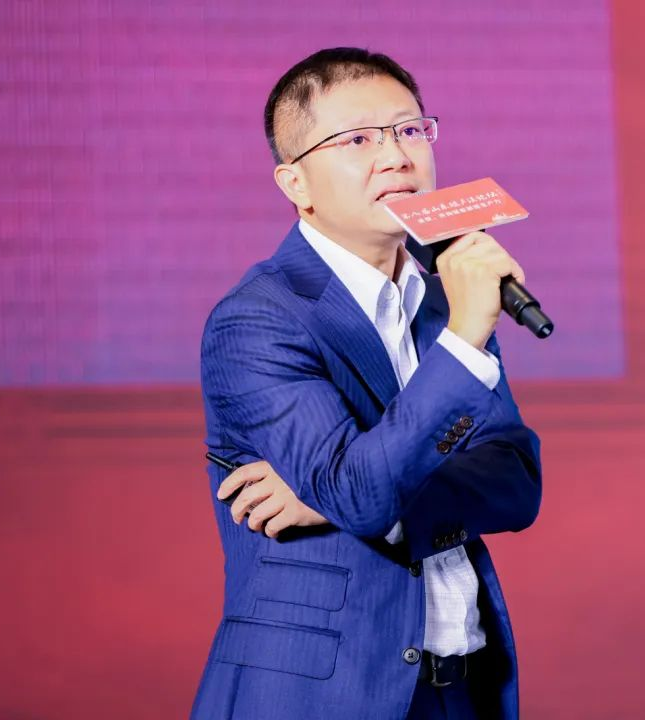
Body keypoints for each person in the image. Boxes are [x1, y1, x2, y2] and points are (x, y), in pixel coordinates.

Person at [192, 47, 542, 720]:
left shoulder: (444, 299)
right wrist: (351, 491)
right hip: (322, 697)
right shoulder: (258, 318)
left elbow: (516, 483)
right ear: (296, 183)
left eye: (410, 130)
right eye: (358, 139)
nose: (397, 157)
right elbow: (358, 490)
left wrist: (329, 497)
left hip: (462, 688)